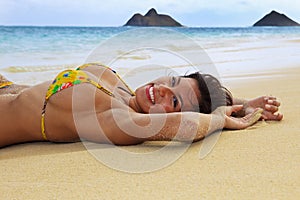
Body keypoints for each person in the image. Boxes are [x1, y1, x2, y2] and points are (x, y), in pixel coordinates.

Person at [0, 63, 282, 148]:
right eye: (172, 80)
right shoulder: (123, 90)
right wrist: (244, 103)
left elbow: (187, 125)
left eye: (173, 100)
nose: (162, 89)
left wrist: (221, 118)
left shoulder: (117, 118)